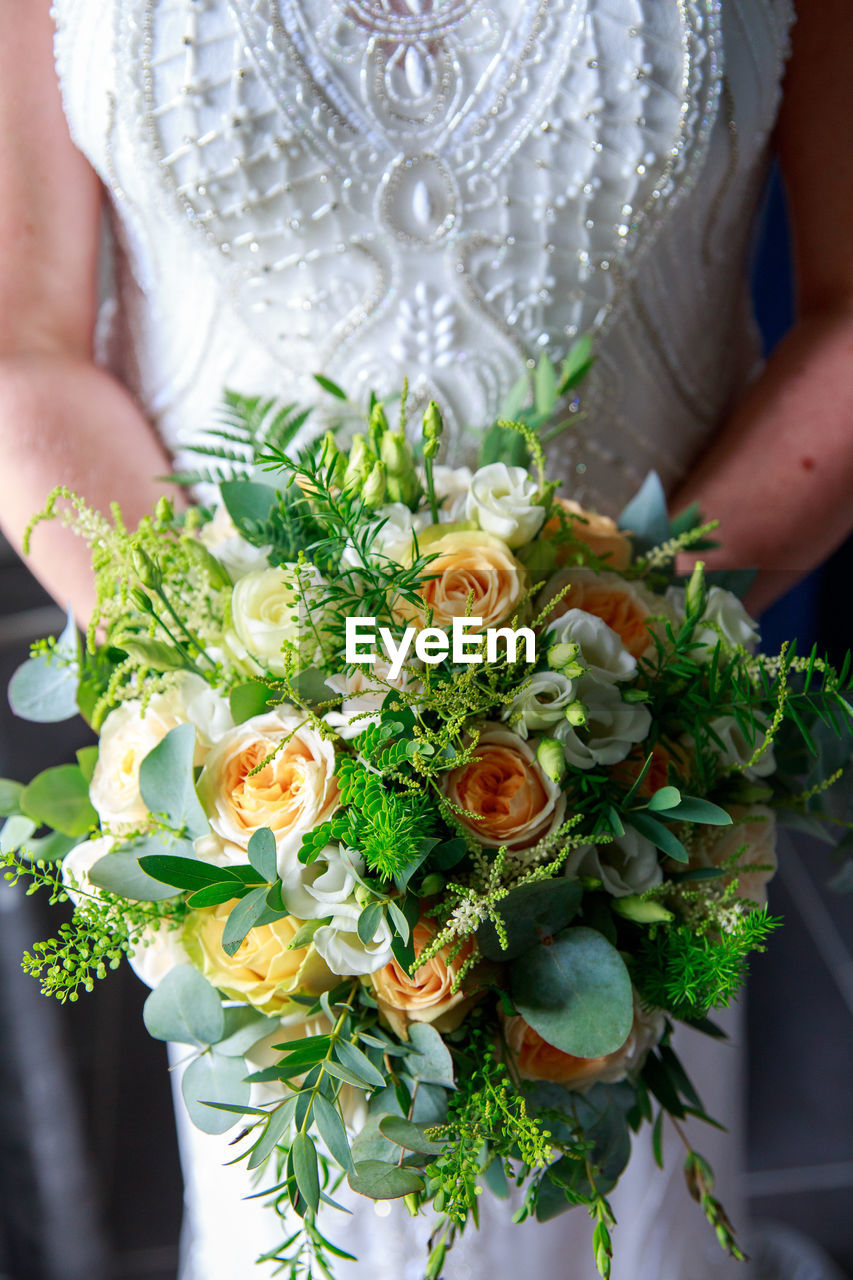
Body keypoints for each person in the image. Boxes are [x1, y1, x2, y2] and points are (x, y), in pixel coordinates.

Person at [0, 1, 850, 1277]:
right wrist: (233, 696)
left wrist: (625, 647)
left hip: (635, 755)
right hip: (263, 782)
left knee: (624, 1181)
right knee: (289, 1210)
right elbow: (27, 342)